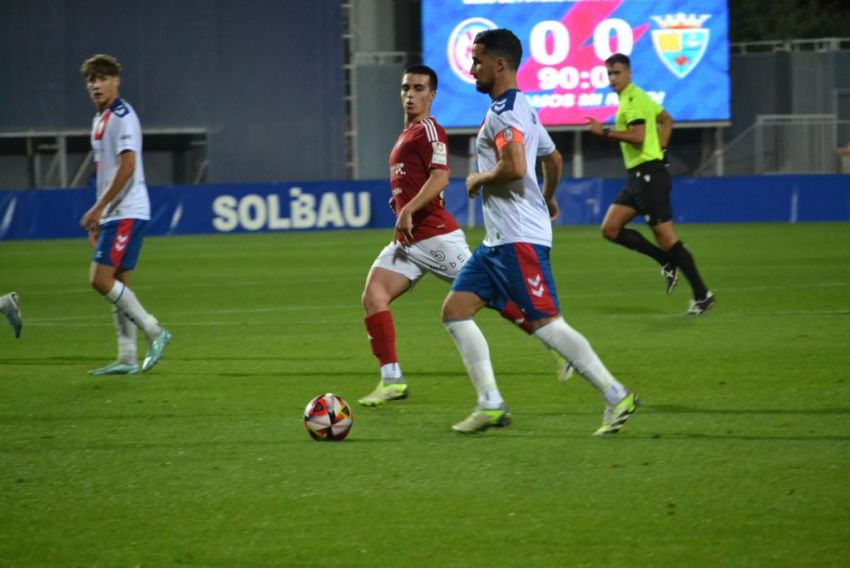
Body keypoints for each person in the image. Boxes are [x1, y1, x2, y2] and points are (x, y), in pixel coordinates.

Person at [441, 29, 638, 436]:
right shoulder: (519, 106)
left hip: (518, 240)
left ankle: (615, 394)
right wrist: (548, 198)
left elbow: (514, 167)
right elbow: (554, 157)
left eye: (477, 61)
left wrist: (478, 179)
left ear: (499, 64)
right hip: (497, 243)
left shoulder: (506, 113)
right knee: (455, 311)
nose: (472, 68)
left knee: (547, 323)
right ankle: (491, 403)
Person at [357, 65, 564, 407]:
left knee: (496, 295)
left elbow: (440, 178)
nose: (411, 94)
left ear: (432, 95)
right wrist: (401, 202)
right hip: (408, 240)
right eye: (406, 87)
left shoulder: (429, 131)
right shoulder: (406, 134)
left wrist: (408, 209)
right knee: (374, 295)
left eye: (419, 88)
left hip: (434, 236)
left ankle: (555, 344)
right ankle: (391, 379)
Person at [586, 53, 714, 315]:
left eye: (617, 72)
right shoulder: (638, 97)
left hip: (649, 177)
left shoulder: (633, 100)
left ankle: (703, 295)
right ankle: (666, 261)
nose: (612, 78)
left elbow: (638, 136)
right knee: (610, 229)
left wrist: (606, 132)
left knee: (668, 239)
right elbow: (667, 119)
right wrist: (662, 147)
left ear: (629, 73)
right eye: (609, 73)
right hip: (639, 176)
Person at [79, 54, 171, 375]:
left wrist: (99, 209)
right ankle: (128, 357)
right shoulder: (100, 119)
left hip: (126, 210)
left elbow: (128, 166)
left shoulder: (122, 116)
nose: (96, 85)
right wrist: (101, 218)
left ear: (116, 81)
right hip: (115, 214)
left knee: (99, 279)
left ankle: (155, 330)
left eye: (103, 78)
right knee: (120, 283)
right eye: (91, 80)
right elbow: (106, 170)